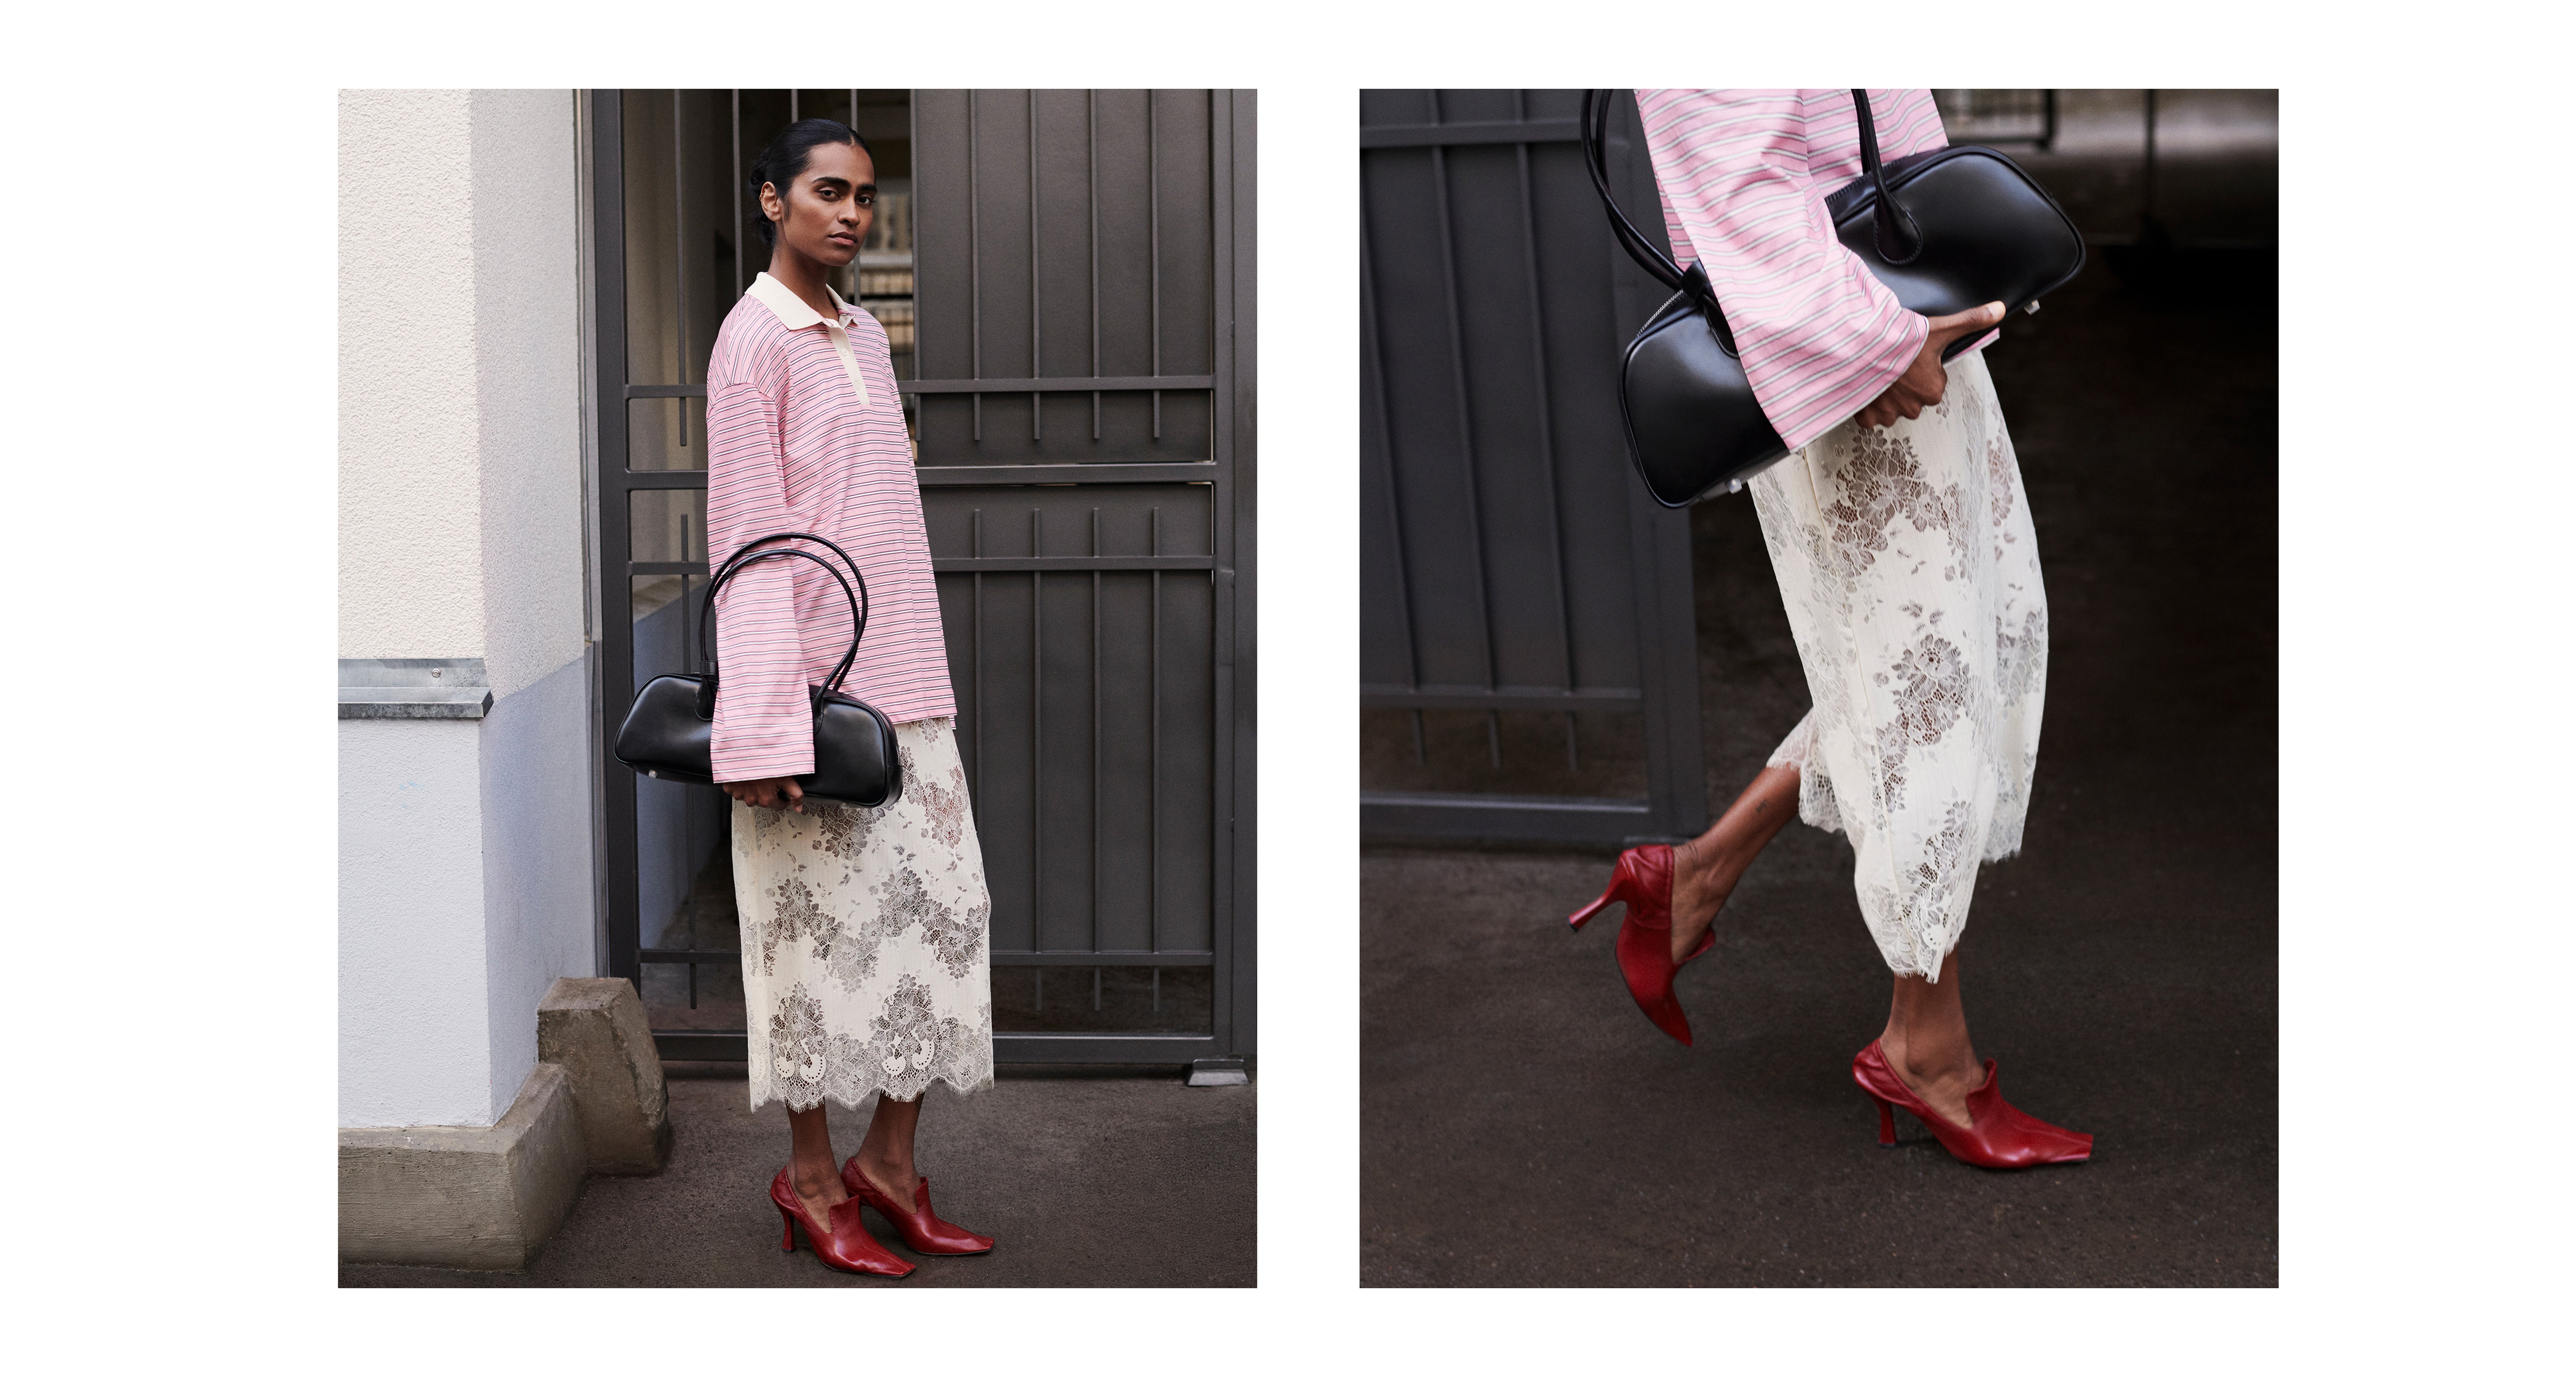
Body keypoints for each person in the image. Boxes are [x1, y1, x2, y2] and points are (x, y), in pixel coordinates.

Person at [1567, 89, 2089, 1169]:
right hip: (1848, 342)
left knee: (1971, 642)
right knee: (1925, 684)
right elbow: (1735, 172)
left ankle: (1695, 875)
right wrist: (1877, 345)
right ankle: (1927, 1048)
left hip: (1892, 308)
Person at [708, 118, 997, 1276]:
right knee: (811, 948)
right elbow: (749, 542)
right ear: (773, 200)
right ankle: (814, 1178)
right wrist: (764, 729)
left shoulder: (867, 335)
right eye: (828, 192)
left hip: (908, 683)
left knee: (943, 919)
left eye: (865, 198)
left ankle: (889, 1163)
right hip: (812, 705)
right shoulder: (751, 343)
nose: (851, 215)